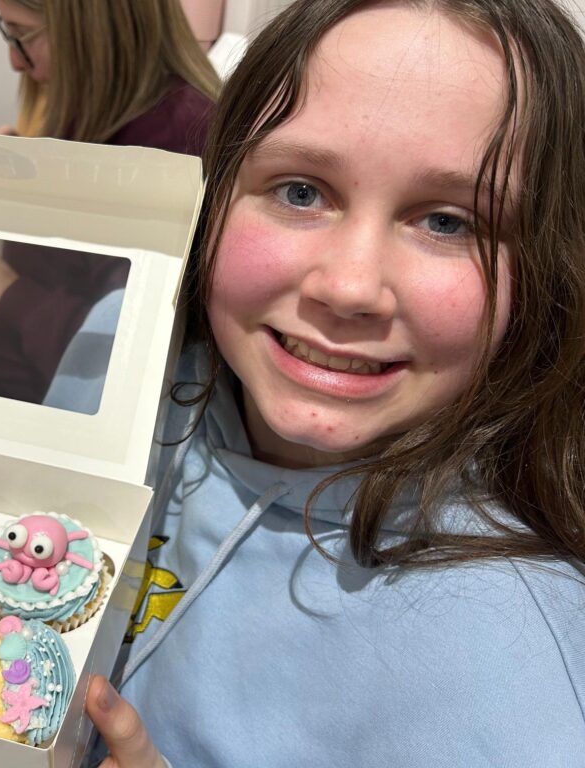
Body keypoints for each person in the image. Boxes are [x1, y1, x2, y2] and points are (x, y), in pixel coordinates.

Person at [81, 0, 585, 765]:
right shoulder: (122, 353)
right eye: (301, 191)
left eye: (448, 221)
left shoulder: (519, 673)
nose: (349, 288)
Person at [0, 0, 220, 406]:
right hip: (4, 364)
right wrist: (31, 172)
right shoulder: (107, 107)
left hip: (43, 407)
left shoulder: (170, 144)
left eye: (21, 34)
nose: (14, 61)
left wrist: (2, 288)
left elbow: (120, 367)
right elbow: (85, 248)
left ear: (91, 30)